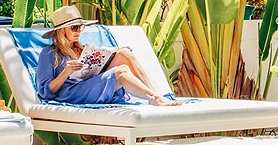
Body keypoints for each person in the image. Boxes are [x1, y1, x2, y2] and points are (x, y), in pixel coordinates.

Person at [35, 6, 180, 106]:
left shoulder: (82, 48)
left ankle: (156, 95)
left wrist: (112, 55)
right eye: (74, 28)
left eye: (81, 27)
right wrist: (66, 72)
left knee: (124, 54)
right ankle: (154, 98)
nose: (79, 31)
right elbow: (45, 92)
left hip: (89, 84)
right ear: (61, 31)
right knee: (121, 71)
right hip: (72, 93)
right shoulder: (49, 54)